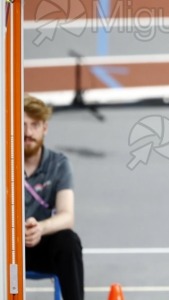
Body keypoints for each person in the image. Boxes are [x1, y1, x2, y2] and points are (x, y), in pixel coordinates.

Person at [24, 95, 84, 300]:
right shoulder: (4, 162)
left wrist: (39, 228)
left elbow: (67, 216)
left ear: (45, 128)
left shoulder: (59, 164)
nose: (28, 132)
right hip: (6, 246)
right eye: (22, 125)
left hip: (41, 246)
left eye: (34, 125)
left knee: (69, 241)